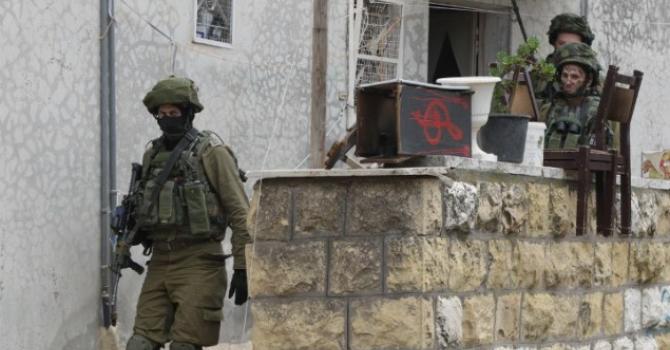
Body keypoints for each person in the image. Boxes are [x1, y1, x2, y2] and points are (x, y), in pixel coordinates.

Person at [123, 76, 251, 350]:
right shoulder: (152, 155)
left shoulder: (212, 153)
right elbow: (141, 208)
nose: (167, 119)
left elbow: (241, 213)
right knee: (139, 344)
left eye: (174, 113)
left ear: (189, 113)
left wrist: (243, 266)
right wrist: (126, 238)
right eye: (163, 114)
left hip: (200, 261)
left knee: (184, 346)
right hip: (159, 260)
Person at [541, 42, 608, 150]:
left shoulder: (597, 113)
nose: (568, 82)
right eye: (565, 75)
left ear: (589, 80)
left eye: (575, 77)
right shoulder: (548, 110)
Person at [536, 13, 596, 104]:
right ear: (554, 43)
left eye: (574, 45)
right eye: (562, 44)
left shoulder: (594, 78)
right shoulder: (537, 77)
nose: (567, 50)